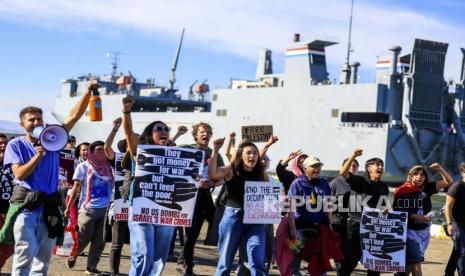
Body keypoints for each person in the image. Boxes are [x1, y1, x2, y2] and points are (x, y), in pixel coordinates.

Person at [3, 81, 96, 275]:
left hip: (50, 207)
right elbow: (19, 174)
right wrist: (38, 155)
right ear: (22, 124)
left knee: (43, 259)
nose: (37, 123)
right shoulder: (16, 145)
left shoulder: (53, 137)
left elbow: (74, 115)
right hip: (26, 207)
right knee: (24, 254)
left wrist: (88, 92)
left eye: (39, 119)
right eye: (32, 120)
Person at [122, 95, 176, 276]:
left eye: (166, 129)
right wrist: (127, 111)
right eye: (158, 129)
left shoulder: (175, 156)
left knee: (159, 259)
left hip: (166, 210)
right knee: (144, 255)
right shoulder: (141, 152)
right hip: (142, 208)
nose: (164, 131)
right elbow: (129, 133)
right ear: (149, 135)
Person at [209, 138, 267, 276]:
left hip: (255, 218)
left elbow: (267, 194)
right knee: (226, 259)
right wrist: (215, 150)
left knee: (257, 253)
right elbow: (213, 174)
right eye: (248, 153)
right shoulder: (231, 170)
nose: (252, 156)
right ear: (241, 155)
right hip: (233, 216)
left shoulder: (261, 173)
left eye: (255, 153)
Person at [176, 122, 225, 275]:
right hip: (188, 196)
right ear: (195, 135)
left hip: (205, 195)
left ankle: (184, 261)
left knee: (218, 225)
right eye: (202, 132)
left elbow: (223, 175)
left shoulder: (214, 153)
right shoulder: (186, 148)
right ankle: (186, 267)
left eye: (208, 132)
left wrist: (213, 182)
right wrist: (177, 134)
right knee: (192, 233)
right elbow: (167, 155)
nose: (205, 135)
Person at [393, 163, 453, 276]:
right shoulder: (402, 191)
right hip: (409, 232)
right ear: (410, 176)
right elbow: (399, 212)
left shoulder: (427, 188)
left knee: (409, 264)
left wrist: (440, 169)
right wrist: (418, 216)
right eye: (416, 174)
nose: (419, 177)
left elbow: (449, 181)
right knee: (416, 261)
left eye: (422, 175)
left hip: (423, 232)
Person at [64, 140, 114, 274]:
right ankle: (73, 255)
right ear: (92, 151)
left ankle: (91, 266)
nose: (102, 152)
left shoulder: (110, 167)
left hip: (106, 209)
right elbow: (76, 188)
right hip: (88, 209)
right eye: (98, 149)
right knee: (83, 237)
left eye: (103, 150)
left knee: (100, 241)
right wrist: (68, 208)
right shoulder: (83, 166)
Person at [338, 148, 389, 276]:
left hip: (374, 228)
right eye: (377, 165)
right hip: (355, 227)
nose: (380, 167)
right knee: (350, 262)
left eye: (381, 165)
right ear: (369, 168)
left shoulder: (384, 187)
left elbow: (382, 207)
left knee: (374, 264)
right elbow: (343, 172)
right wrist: (353, 155)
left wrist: (385, 211)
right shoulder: (360, 181)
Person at [287, 156, 332, 275]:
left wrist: (330, 225)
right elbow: (290, 209)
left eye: (318, 166)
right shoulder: (297, 183)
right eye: (313, 166)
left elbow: (328, 205)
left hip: (319, 230)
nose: (317, 169)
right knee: (294, 262)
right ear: (305, 168)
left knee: (320, 262)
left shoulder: (324, 183)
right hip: (299, 230)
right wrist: (292, 231)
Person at [329, 158, 359, 275]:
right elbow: (326, 203)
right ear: (343, 167)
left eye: (355, 165)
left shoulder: (359, 184)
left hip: (353, 226)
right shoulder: (335, 182)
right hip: (337, 224)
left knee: (352, 257)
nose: (352, 167)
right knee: (340, 258)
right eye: (349, 165)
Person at [445, 163, 465, 276]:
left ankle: (448, 273)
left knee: (457, 251)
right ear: (462, 173)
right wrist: (449, 224)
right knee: (463, 253)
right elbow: (448, 206)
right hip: (457, 224)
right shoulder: (457, 186)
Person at [0, 134, 14, 272]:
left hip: (11, 211)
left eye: (5, 143)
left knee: (10, 246)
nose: (3, 145)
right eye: (0, 143)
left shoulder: (14, 164)